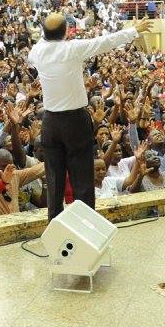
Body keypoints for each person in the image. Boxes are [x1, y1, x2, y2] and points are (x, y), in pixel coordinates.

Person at [27, 12, 154, 219]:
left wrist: (49, 30)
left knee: (54, 180)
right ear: (67, 31)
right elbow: (104, 42)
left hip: (50, 122)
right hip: (75, 121)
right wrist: (133, 30)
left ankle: (55, 227)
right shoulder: (72, 49)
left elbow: (46, 37)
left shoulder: (36, 51)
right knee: (83, 181)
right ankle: (85, 227)